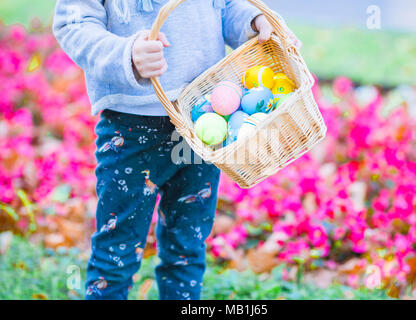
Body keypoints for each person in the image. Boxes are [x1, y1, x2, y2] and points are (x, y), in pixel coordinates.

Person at [53, 0, 301, 300]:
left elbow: (226, 5)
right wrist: (126, 54)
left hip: (203, 120)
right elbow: (74, 22)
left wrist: (255, 21)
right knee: (115, 255)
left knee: (186, 253)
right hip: (131, 129)